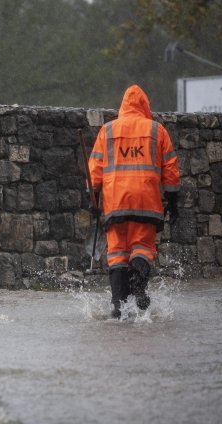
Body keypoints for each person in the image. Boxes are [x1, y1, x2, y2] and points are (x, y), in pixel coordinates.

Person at [88, 84, 181, 319]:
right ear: (145, 105)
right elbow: (170, 171)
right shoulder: (157, 131)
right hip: (146, 202)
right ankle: (139, 293)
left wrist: (92, 198)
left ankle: (118, 305)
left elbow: (94, 171)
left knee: (117, 252)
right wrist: (173, 201)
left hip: (115, 203)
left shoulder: (107, 131)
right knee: (142, 247)